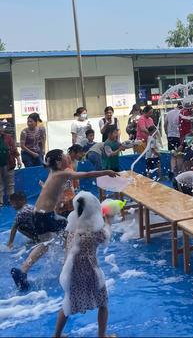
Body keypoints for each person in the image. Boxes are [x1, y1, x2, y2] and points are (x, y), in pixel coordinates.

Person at [11, 149, 118, 290]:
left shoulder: (53, 172)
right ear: (58, 162)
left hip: (38, 214)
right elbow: (86, 174)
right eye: (63, 157)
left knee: (46, 243)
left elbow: (52, 176)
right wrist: (106, 172)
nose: (67, 158)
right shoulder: (63, 173)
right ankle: (67, 269)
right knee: (70, 232)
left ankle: (24, 270)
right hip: (45, 216)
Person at [54, 192, 111, 338]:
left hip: (71, 271)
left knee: (68, 305)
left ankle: (57, 335)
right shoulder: (94, 230)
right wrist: (108, 220)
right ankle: (102, 335)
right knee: (103, 302)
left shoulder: (72, 226)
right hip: (90, 271)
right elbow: (106, 238)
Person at [0, 122, 20, 206]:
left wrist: (18, 160)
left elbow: (14, 150)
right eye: (1, 126)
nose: (2, 128)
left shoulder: (8, 137)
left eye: (2, 126)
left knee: (10, 183)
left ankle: (11, 200)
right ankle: (0, 201)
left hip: (9, 163)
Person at [164, 103, 182, 177]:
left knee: (173, 155)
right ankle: (179, 172)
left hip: (170, 136)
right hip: (179, 137)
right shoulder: (182, 113)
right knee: (179, 155)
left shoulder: (169, 113)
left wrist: (167, 134)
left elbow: (165, 124)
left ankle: (172, 171)